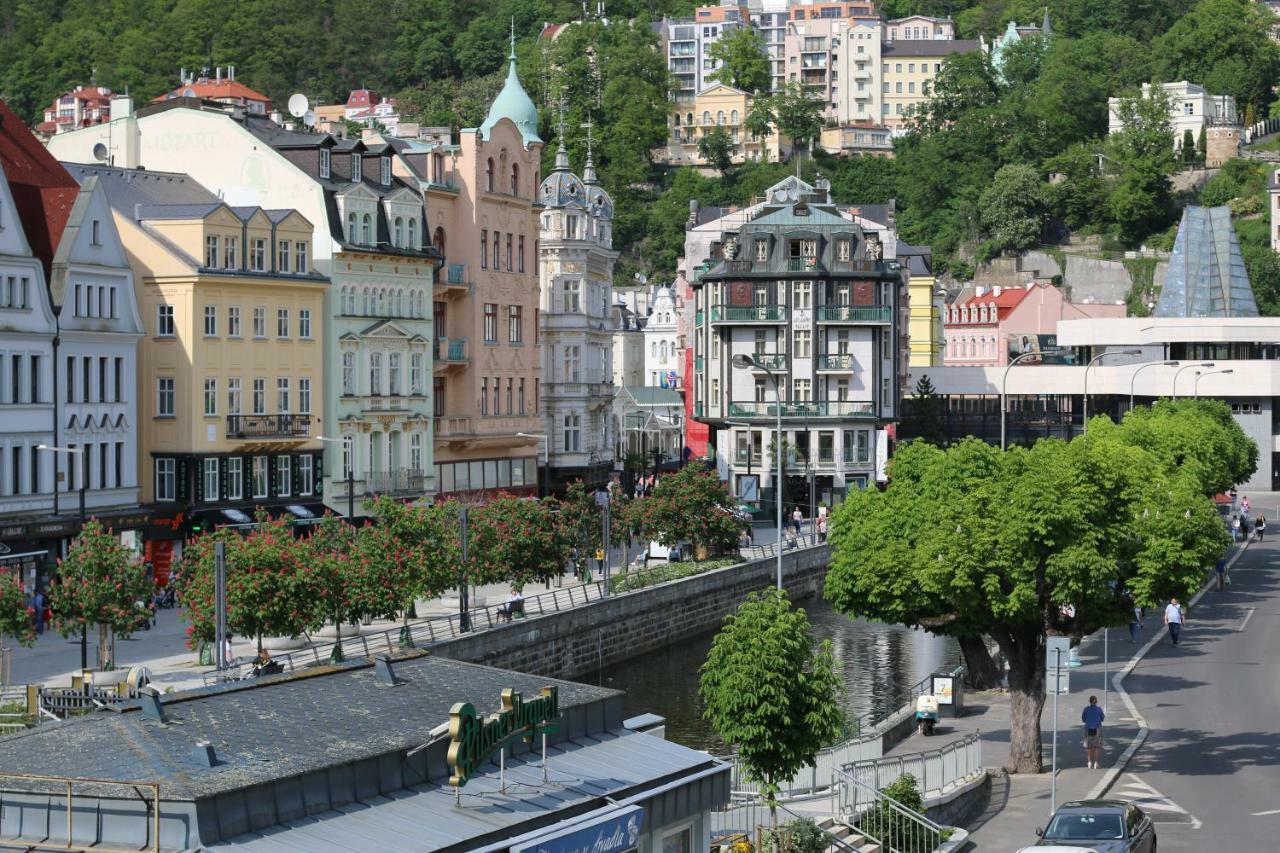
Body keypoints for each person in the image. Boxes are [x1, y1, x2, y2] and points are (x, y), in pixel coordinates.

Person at [1081, 695, 1105, 769]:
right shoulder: (1099, 709)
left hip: (1088, 729)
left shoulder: (1086, 709)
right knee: (1097, 746)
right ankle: (1096, 763)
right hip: (1097, 729)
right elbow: (1102, 718)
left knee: (1089, 746)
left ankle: (1089, 762)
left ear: (1090, 701)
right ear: (1096, 702)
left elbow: (1083, 719)